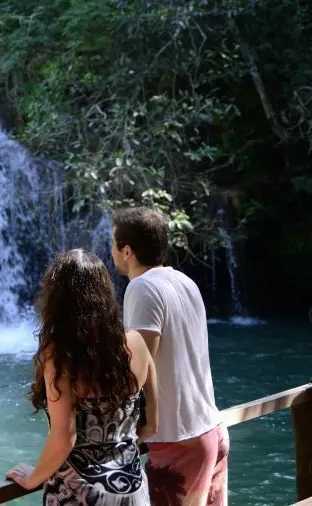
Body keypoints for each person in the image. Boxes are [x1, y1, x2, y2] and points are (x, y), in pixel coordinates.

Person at [6, 249, 158, 506]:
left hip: (81, 495)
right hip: (133, 490)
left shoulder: (60, 356)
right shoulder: (137, 343)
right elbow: (152, 425)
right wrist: (114, 456)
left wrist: (32, 478)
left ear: (56, 301)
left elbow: (65, 439)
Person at [111, 207, 230, 506]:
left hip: (180, 443)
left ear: (127, 251)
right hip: (212, 431)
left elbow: (137, 372)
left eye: (113, 244)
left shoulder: (141, 287)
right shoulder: (185, 282)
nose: (111, 252)